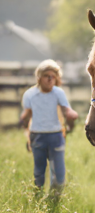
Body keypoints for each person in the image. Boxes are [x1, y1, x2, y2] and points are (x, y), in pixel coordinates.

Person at [20, 60, 78, 192]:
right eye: (47, 76)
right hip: (37, 135)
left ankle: (54, 198)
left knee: (58, 172)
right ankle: (38, 195)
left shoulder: (58, 93)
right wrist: (27, 134)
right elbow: (27, 117)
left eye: (53, 76)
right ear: (39, 78)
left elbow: (65, 109)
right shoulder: (30, 95)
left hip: (55, 135)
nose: (50, 79)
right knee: (39, 170)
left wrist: (70, 114)